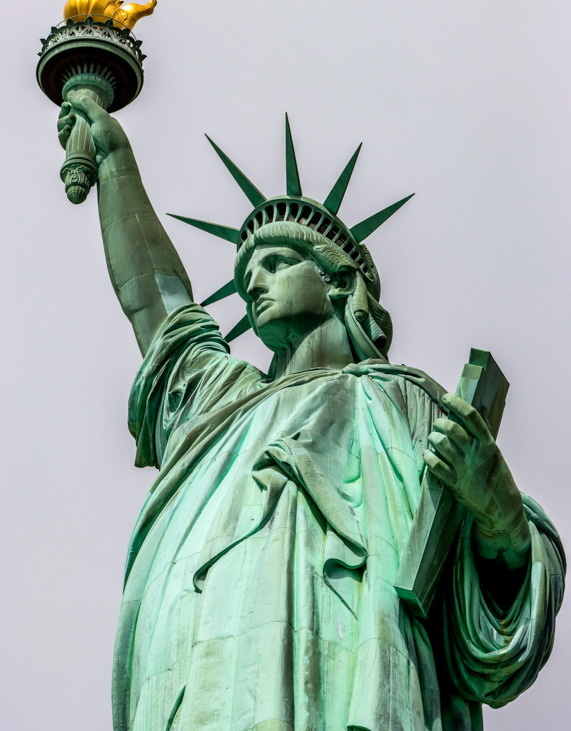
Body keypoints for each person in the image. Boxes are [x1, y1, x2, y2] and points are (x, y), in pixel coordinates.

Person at [58, 97, 565, 731]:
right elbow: (157, 305)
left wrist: (500, 514)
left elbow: (510, 604)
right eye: (247, 273)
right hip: (209, 680)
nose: (253, 283)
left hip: (354, 671)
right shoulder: (221, 402)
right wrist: (113, 162)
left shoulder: (404, 400)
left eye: (275, 263)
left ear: (334, 279)